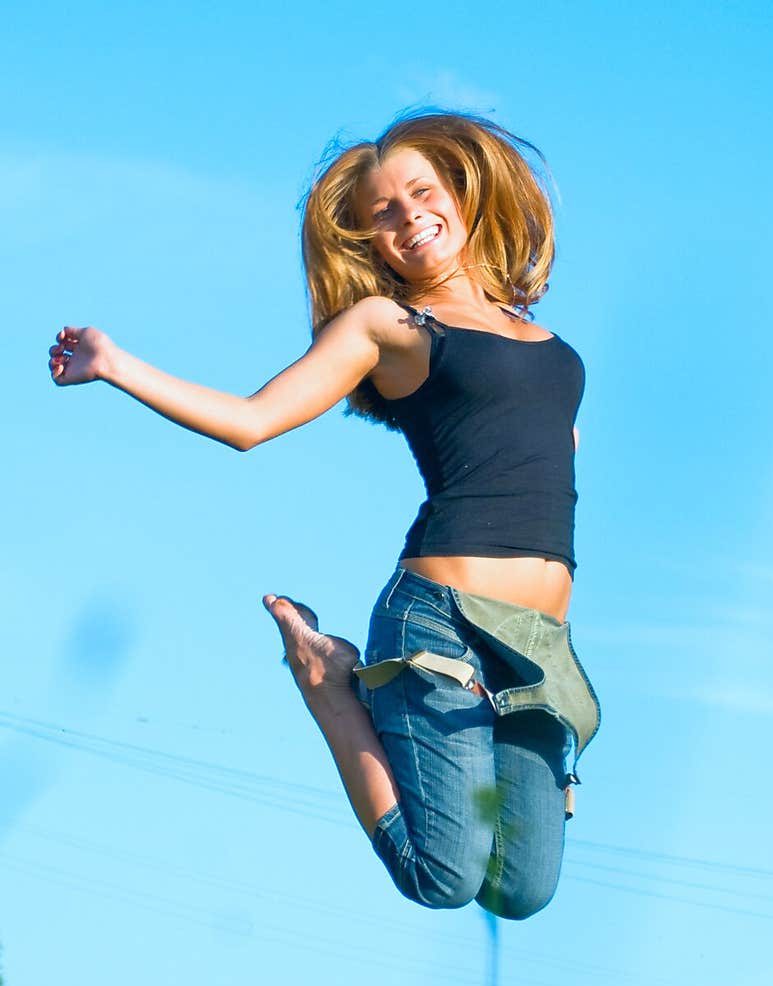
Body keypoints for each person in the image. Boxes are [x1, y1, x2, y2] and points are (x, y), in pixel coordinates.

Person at [47, 109, 600, 921]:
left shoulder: (545, 339)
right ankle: (326, 682)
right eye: (385, 212)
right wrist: (115, 363)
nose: (409, 215)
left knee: (521, 889)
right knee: (441, 878)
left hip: (540, 645)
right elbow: (250, 420)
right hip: (443, 621)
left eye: (422, 191)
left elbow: (548, 457)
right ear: (371, 241)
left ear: (463, 191)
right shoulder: (390, 326)